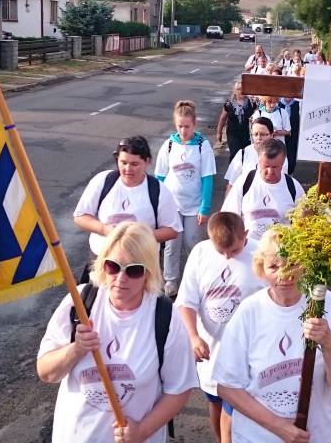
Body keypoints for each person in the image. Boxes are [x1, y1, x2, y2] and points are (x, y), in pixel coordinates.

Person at [37, 223, 199, 443]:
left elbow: (179, 389)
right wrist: (75, 350)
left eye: (133, 270)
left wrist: (141, 431)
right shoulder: (80, 303)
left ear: (148, 272)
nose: (121, 278)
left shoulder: (165, 316)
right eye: (113, 266)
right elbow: (46, 373)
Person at [213, 230, 331, 443]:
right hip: (257, 438)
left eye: (293, 264)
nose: (284, 275)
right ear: (261, 269)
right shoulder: (249, 311)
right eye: (273, 266)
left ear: (306, 264)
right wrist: (280, 428)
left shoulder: (326, 304)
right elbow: (227, 387)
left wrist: (328, 343)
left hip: (318, 436)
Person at [175, 213, 266, 443]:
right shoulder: (200, 253)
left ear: (245, 235)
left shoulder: (260, 254)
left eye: (234, 251)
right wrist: (193, 336)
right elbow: (186, 301)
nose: (227, 256)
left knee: (240, 408)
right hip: (212, 351)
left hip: (250, 351)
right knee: (215, 402)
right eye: (221, 251)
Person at [73, 136, 183, 282]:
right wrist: (104, 229)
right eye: (123, 162)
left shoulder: (158, 190)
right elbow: (80, 216)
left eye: (135, 164)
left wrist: (137, 238)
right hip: (103, 261)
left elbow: (172, 230)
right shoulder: (103, 181)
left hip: (140, 266)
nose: (127, 169)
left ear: (147, 161)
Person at [155, 101, 217, 297]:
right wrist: (158, 204)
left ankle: (195, 279)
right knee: (171, 246)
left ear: (194, 124)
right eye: (180, 126)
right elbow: (160, 177)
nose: (183, 131)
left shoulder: (201, 146)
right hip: (172, 205)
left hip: (194, 205)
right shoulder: (169, 145)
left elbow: (207, 177)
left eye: (187, 126)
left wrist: (204, 207)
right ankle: (171, 281)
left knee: (192, 243)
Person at [220, 139, 304, 242]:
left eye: (275, 167)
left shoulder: (294, 188)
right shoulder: (245, 181)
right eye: (266, 166)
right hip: (248, 247)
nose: (270, 171)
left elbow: (304, 224)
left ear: (283, 164)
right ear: (259, 162)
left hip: (280, 249)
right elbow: (228, 217)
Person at [222, 118, 288, 195]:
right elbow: (231, 186)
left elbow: (282, 184)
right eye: (255, 134)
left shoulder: (279, 156)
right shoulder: (242, 154)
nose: (259, 138)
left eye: (263, 134)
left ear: (272, 135)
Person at [217, 81, 256, 162]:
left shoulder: (251, 102)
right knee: (235, 154)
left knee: (246, 155)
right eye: (238, 89)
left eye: (242, 89)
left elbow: (257, 115)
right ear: (234, 91)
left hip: (247, 134)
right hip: (233, 134)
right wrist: (219, 132)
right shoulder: (229, 104)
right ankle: (233, 169)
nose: (240, 91)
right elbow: (223, 118)